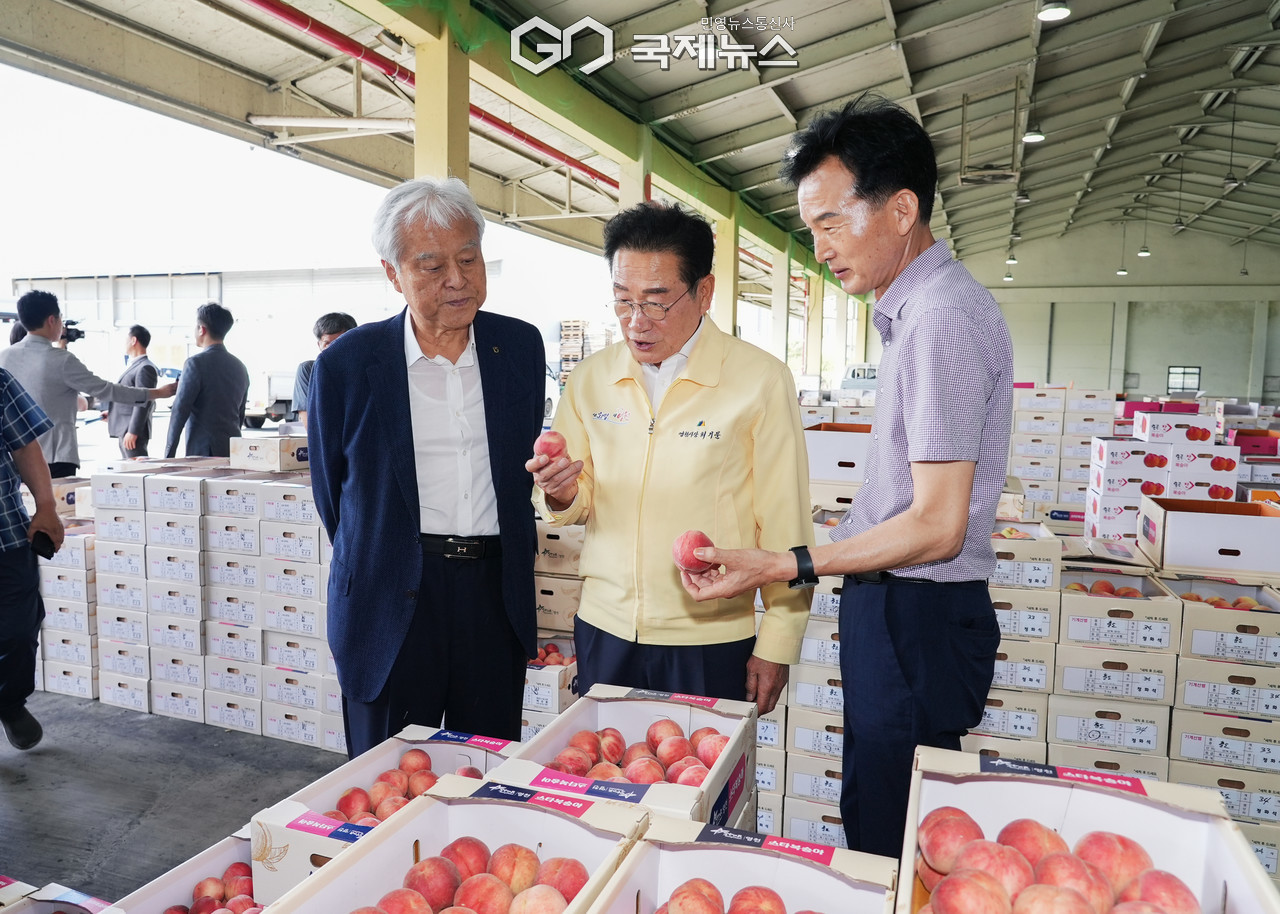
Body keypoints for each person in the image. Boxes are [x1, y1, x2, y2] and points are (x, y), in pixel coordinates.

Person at [680, 95, 1013, 857]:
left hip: (916, 612)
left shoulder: (938, 318)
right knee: (878, 806)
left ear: (902, 209)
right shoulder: (914, 313)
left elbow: (937, 526)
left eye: (832, 223)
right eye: (811, 228)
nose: (820, 248)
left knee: (891, 832)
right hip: (901, 607)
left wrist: (788, 562)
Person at [528, 201, 813, 715]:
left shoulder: (759, 380)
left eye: (656, 303)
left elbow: (784, 521)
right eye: (623, 301)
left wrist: (778, 639)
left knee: (704, 766)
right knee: (603, 762)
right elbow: (573, 501)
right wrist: (561, 492)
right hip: (605, 628)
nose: (636, 322)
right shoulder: (591, 378)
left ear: (704, 292)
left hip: (709, 635)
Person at [309, 177, 543, 757]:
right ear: (393, 274)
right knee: (386, 777)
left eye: (469, 258)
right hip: (388, 598)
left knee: (484, 771)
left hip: (492, 597)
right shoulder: (347, 364)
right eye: (432, 266)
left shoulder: (519, 347)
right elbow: (331, 494)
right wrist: (384, 551)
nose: (457, 279)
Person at [0, 291, 176, 478]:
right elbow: (106, 390)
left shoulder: (4, 357)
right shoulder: (61, 360)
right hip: (55, 455)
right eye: (61, 319)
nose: (62, 326)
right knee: (57, 498)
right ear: (52, 320)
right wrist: (157, 393)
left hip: (14, 455)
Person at [0, 367, 65, 750]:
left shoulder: (0, 382)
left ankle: (9, 702)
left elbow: (24, 446)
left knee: (19, 629)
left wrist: (46, 506)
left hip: (6, 534)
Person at [164, 303, 251, 458]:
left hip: (203, 452)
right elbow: (240, 414)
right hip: (233, 450)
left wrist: (168, 456)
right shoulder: (240, 366)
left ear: (201, 329)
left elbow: (180, 411)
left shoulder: (195, 363)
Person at [293, 312, 357, 428]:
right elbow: (310, 422)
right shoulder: (308, 371)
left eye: (340, 342)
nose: (334, 349)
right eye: (328, 343)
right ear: (319, 345)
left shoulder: (364, 371)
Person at [104, 325, 158, 458]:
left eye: (125, 340)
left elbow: (144, 401)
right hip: (126, 430)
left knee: (136, 468)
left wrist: (133, 431)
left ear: (133, 340)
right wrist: (113, 413)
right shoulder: (136, 366)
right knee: (130, 468)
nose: (124, 344)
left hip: (132, 433)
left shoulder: (145, 368)